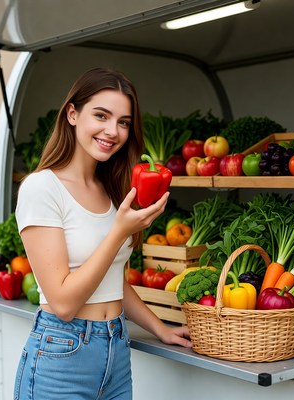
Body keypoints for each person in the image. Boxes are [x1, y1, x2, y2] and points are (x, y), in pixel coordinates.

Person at [14, 67, 191, 400]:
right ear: (72, 114)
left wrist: (160, 329)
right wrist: (118, 233)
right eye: (101, 115)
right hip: (61, 356)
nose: (113, 131)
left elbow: (111, 279)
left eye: (123, 122)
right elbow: (64, 303)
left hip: (116, 353)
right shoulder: (42, 188)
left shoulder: (112, 190)